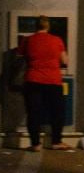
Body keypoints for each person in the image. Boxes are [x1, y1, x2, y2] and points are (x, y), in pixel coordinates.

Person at [18, 15, 69, 152]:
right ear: (48, 26)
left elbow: (20, 59)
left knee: (33, 113)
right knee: (57, 112)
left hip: (33, 80)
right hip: (53, 81)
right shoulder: (57, 40)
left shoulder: (27, 40)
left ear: (35, 26)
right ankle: (56, 142)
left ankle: (36, 144)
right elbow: (65, 61)